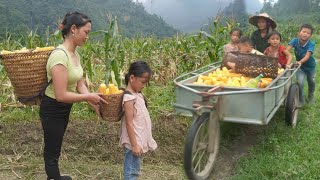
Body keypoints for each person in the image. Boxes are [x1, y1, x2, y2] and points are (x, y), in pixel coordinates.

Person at [39, 12, 106, 180]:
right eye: (86, 32)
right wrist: (88, 97)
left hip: (64, 108)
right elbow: (61, 95)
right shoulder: (60, 56)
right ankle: (54, 177)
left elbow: (79, 83)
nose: (88, 37)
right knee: (52, 152)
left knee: (56, 146)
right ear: (74, 29)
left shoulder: (75, 55)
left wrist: (93, 102)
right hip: (53, 107)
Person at [120, 61, 158, 180]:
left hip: (138, 141)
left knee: (135, 171)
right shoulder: (129, 98)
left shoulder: (137, 94)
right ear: (132, 78)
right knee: (131, 173)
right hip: (133, 143)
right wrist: (135, 145)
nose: (143, 86)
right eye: (142, 82)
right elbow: (129, 123)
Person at [287, 24, 316, 105]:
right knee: (300, 83)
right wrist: (287, 57)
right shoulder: (294, 41)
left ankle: (311, 96)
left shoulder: (311, 44)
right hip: (300, 67)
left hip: (311, 67)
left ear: (310, 35)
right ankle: (301, 100)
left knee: (311, 82)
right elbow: (287, 50)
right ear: (299, 33)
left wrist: (300, 62)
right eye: (303, 31)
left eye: (308, 33)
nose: (305, 34)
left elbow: (307, 55)